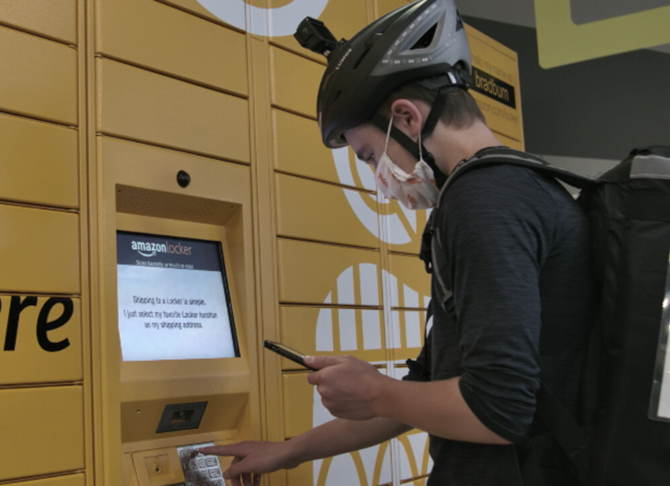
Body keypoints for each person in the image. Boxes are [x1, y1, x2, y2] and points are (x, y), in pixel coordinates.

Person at [202, 1, 595, 484]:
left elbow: (498, 409)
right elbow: (429, 393)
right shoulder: (516, 187)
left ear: (406, 118)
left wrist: (372, 390)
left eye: (369, 155)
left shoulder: (483, 199)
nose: (377, 178)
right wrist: (289, 452)